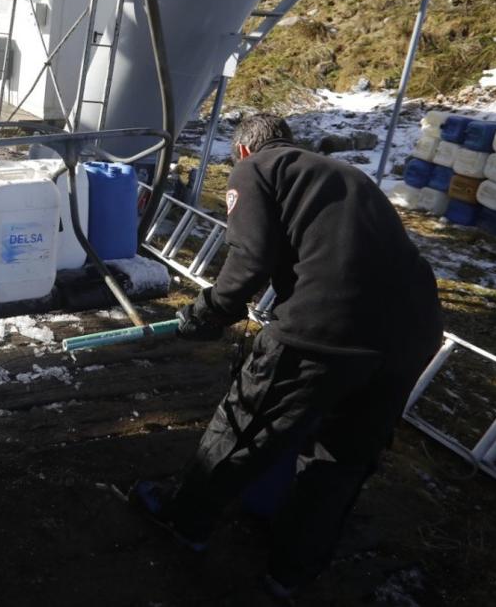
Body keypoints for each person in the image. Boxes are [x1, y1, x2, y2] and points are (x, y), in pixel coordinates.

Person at [131, 113, 443, 600]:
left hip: (324, 329)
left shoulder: (257, 168)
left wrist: (210, 312)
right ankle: (291, 570)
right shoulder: (344, 175)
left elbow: (250, 256)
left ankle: (186, 521)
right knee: (341, 458)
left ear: (242, 150)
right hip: (413, 337)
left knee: (244, 429)